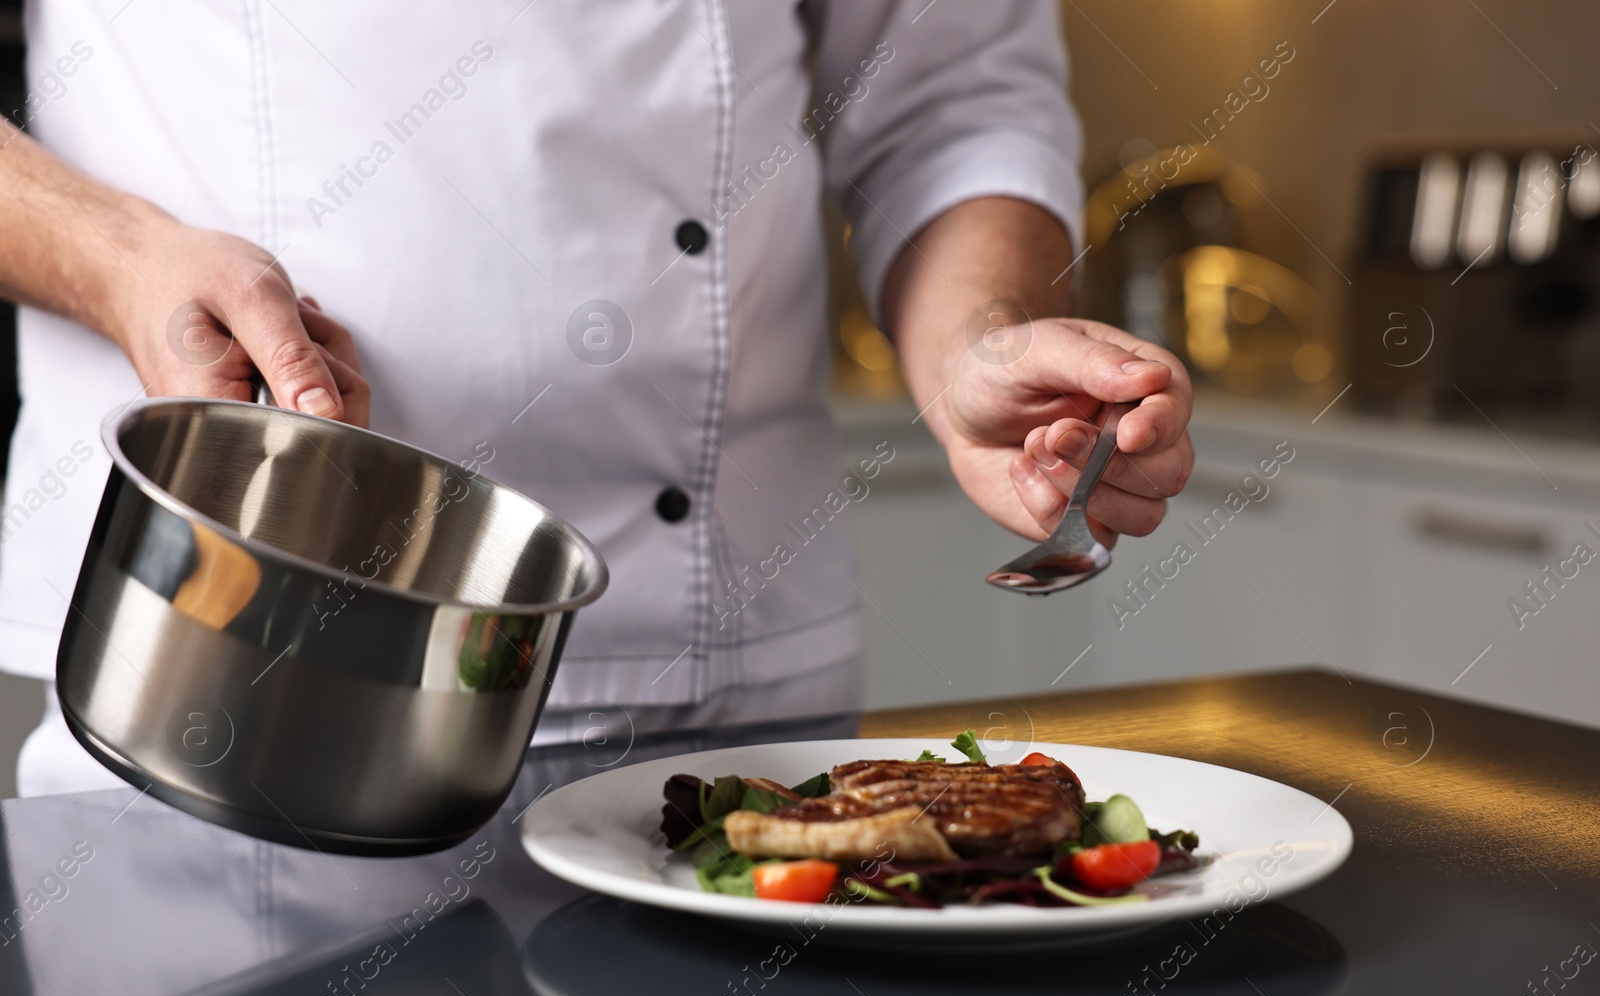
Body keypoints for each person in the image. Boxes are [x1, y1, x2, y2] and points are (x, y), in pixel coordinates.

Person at [0, 2, 1193, 796]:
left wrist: (978, 341)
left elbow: (949, 100)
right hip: (237, 674)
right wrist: (117, 260)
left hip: (732, 686)